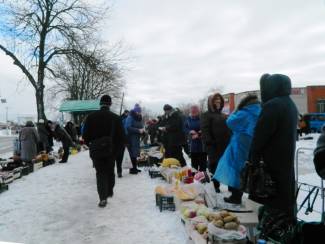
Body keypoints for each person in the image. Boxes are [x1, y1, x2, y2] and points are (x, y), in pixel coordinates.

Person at [249, 74, 298, 242]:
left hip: (271, 165)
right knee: (284, 203)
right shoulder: (290, 104)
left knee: (273, 204)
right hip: (285, 164)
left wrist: (252, 159)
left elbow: (259, 137)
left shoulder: (272, 106)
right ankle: (285, 232)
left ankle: (272, 235)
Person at [214, 94, 261, 204]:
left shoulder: (244, 112)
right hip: (252, 143)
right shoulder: (259, 110)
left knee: (235, 168)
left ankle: (236, 196)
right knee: (246, 168)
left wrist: (236, 110)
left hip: (240, 143)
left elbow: (230, 122)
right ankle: (243, 193)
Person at [83, 95, 125, 207]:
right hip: (111, 151)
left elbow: (85, 135)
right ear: (110, 104)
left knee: (100, 173)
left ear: (100, 104)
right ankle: (109, 191)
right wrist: (117, 151)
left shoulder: (91, 117)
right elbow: (121, 137)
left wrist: (91, 145)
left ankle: (102, 198)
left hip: (96, 151)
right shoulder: (116, 118)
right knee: (110, 171)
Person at [201, 93, 231, 193]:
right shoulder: (206, 115)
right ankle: (215, 186)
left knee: (227, 166)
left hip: (225, 145)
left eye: (219, 100)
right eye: (215, 100)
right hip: (214, 146)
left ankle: (231, 187)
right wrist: (209, 143)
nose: (218, 102)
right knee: (214, 167)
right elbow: (205, 130)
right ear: (211, 102)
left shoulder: (223, 115)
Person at [185, 105, 207, 171]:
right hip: (193, 144)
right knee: (194, 165)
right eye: (192, 111)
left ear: (198, 111)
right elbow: (184, 128)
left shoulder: (203, 118)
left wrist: (198, 134)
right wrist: (190, 131)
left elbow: (206, 128)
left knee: (202, 164)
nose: (193, 113)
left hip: (202, 144)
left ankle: (203, 177)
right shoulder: (188, 119)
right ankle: (195, 177)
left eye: (195, 111)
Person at [124, 104, 144, 174]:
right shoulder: (130, 117)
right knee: (132, 153)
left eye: (140, 112)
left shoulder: (139, 117)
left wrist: (143, 131)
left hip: (137, 137)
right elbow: (128, 127)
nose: (139, 113)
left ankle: (135, 167)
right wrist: (138, 130)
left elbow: (141, 125)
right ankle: (132, 169)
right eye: (138, 112)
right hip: (130, 137)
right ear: (135, 111)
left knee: (135, 152)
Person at [115, 110, 129, 178]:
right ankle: (119, 172)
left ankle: (119, 172)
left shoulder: (120, 124)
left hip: (119, 143)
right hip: (119, 143)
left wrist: (125, 142)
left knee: (118, 158)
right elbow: (124, 133)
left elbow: (124, 134)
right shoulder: (121, 124)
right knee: (119, 158)